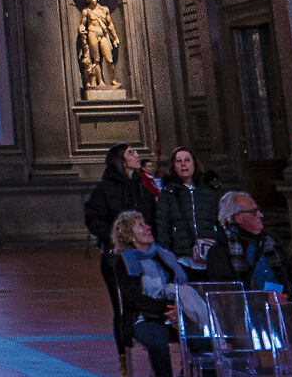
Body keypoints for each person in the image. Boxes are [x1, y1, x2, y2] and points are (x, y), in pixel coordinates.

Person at [86, 145, 155, 365]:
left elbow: (150, 216)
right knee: (122, 307)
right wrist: (119, 236)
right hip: (116, 257)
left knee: (147, 302)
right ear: (120, 160)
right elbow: (94, 219)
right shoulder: (105, 189)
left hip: (143, 256)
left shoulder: (141, 187)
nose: (137, 156)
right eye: (131, 152)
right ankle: (124, 359)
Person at [108, 212, 190, 377]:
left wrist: (178, 310)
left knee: (203, 338)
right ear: (130, 236)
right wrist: (168, 310)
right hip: (145, 318)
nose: (148, 228)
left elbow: (180, 285)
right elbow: (133, 299)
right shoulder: (124, 261)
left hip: (174, 314)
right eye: (141, 226)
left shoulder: (163, 256)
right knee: (157, 342)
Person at [203, 192, 292, 291]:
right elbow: (229, 291)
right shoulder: (220, 251)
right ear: (238, 218)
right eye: (254, 212)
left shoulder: (269, 241)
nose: (261, 215)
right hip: (250, 304)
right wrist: (269, 295)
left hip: (285, 301)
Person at [155, 147, 223, 266]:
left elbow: (219, 220)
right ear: (174, 166)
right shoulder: (168, 193)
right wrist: (166, 253)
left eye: (187, 160)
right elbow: (162, 225)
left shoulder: (210, 191)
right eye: (178, 161)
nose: (183, 164)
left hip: (211, 253)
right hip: (182, 256)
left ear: (194, 163)